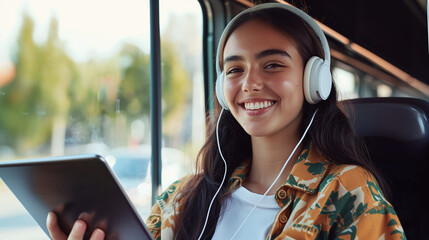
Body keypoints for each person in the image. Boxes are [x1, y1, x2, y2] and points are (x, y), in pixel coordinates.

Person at [47, 3, 406, 240]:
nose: (249, 83)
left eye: (273, 64)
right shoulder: (179, 200)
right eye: (235, 69)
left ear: (316, 81)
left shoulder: (347, 191)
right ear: (222, 88)